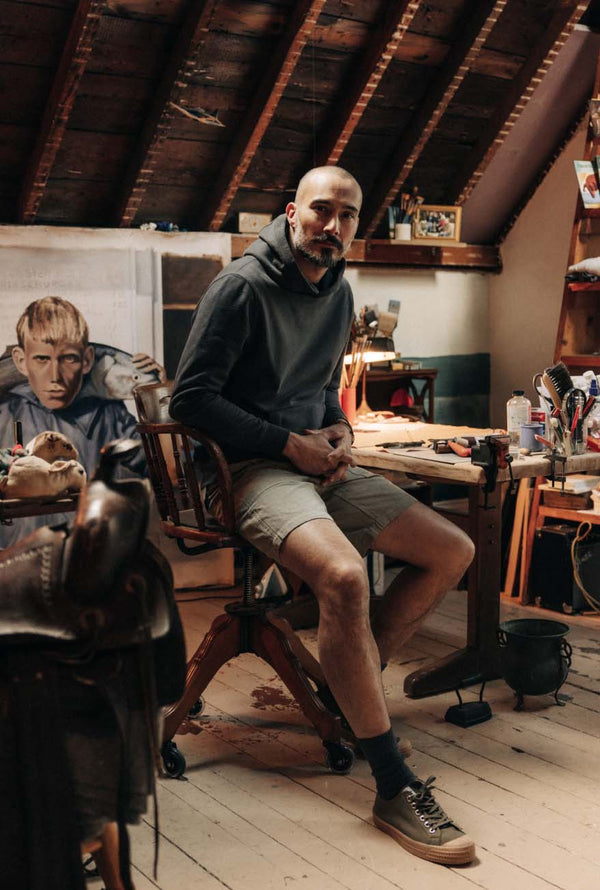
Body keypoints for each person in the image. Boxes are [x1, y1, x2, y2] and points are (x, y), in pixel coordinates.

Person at [169, 165, 476, 866]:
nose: (333, 227)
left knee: (451, 549)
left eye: (347, 216)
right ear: (292, 212)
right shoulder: (240, 289)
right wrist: (287, 444)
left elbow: (320, 394)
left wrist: (337, 430)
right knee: (343, 579)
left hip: (313, 462)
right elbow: (189, 400)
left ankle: (349, 690)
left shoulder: (338, 292)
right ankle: (392, 783)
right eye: (321, 211)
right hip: (245, 472)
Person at [0, 296, 162, 547]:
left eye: (69, 359)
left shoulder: (111, 416)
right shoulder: (3, 414)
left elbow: (170, 473)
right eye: (42, 359)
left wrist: (158, 397)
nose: (55, 377)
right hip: (15, 563)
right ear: (21, 360)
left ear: (87, 360)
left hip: (90, 559)